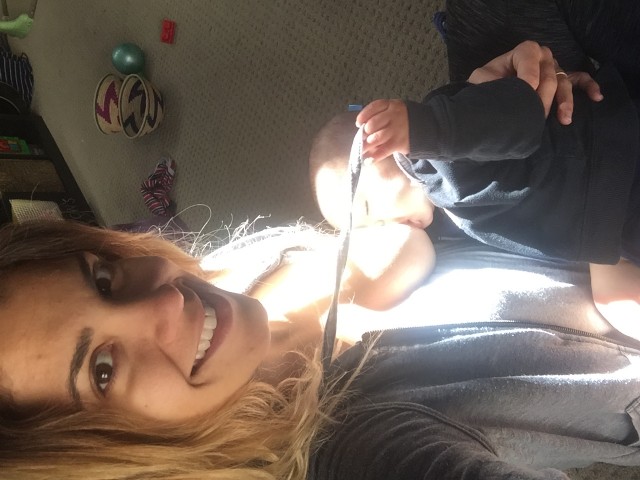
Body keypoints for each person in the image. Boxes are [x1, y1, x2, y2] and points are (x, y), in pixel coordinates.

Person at [309, 2, 640, 272]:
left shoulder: (437, 155)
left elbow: (520, 118)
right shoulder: (440, 226)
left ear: (382, 143)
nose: (383, 226)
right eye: (363, 231)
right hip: (609, 222)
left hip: (613, 161)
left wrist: (423, 128)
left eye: (367, 208)